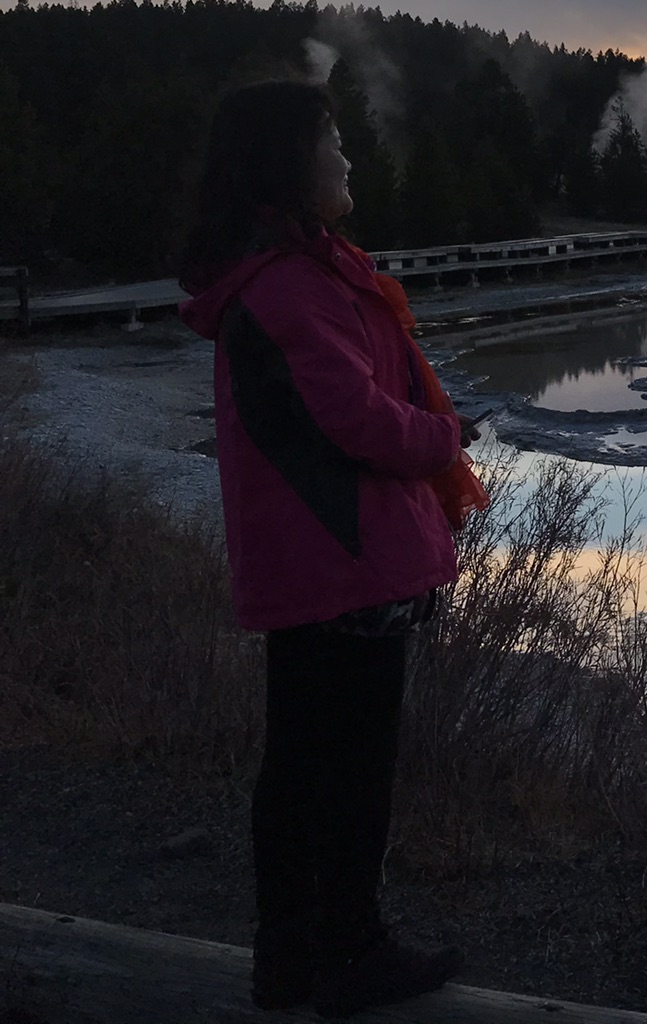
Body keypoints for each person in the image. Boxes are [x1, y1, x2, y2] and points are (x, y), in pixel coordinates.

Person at [178, 79, 486, 1016]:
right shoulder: (291, 286)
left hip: (329, 561)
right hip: (339, 562)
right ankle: (344, 951)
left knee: (317, 762)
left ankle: (300, 956)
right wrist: (446, 437)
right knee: (341, 769)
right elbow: (352, 416)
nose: (349, 159)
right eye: (333, 142)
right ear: (287, 166)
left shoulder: (300, 275)